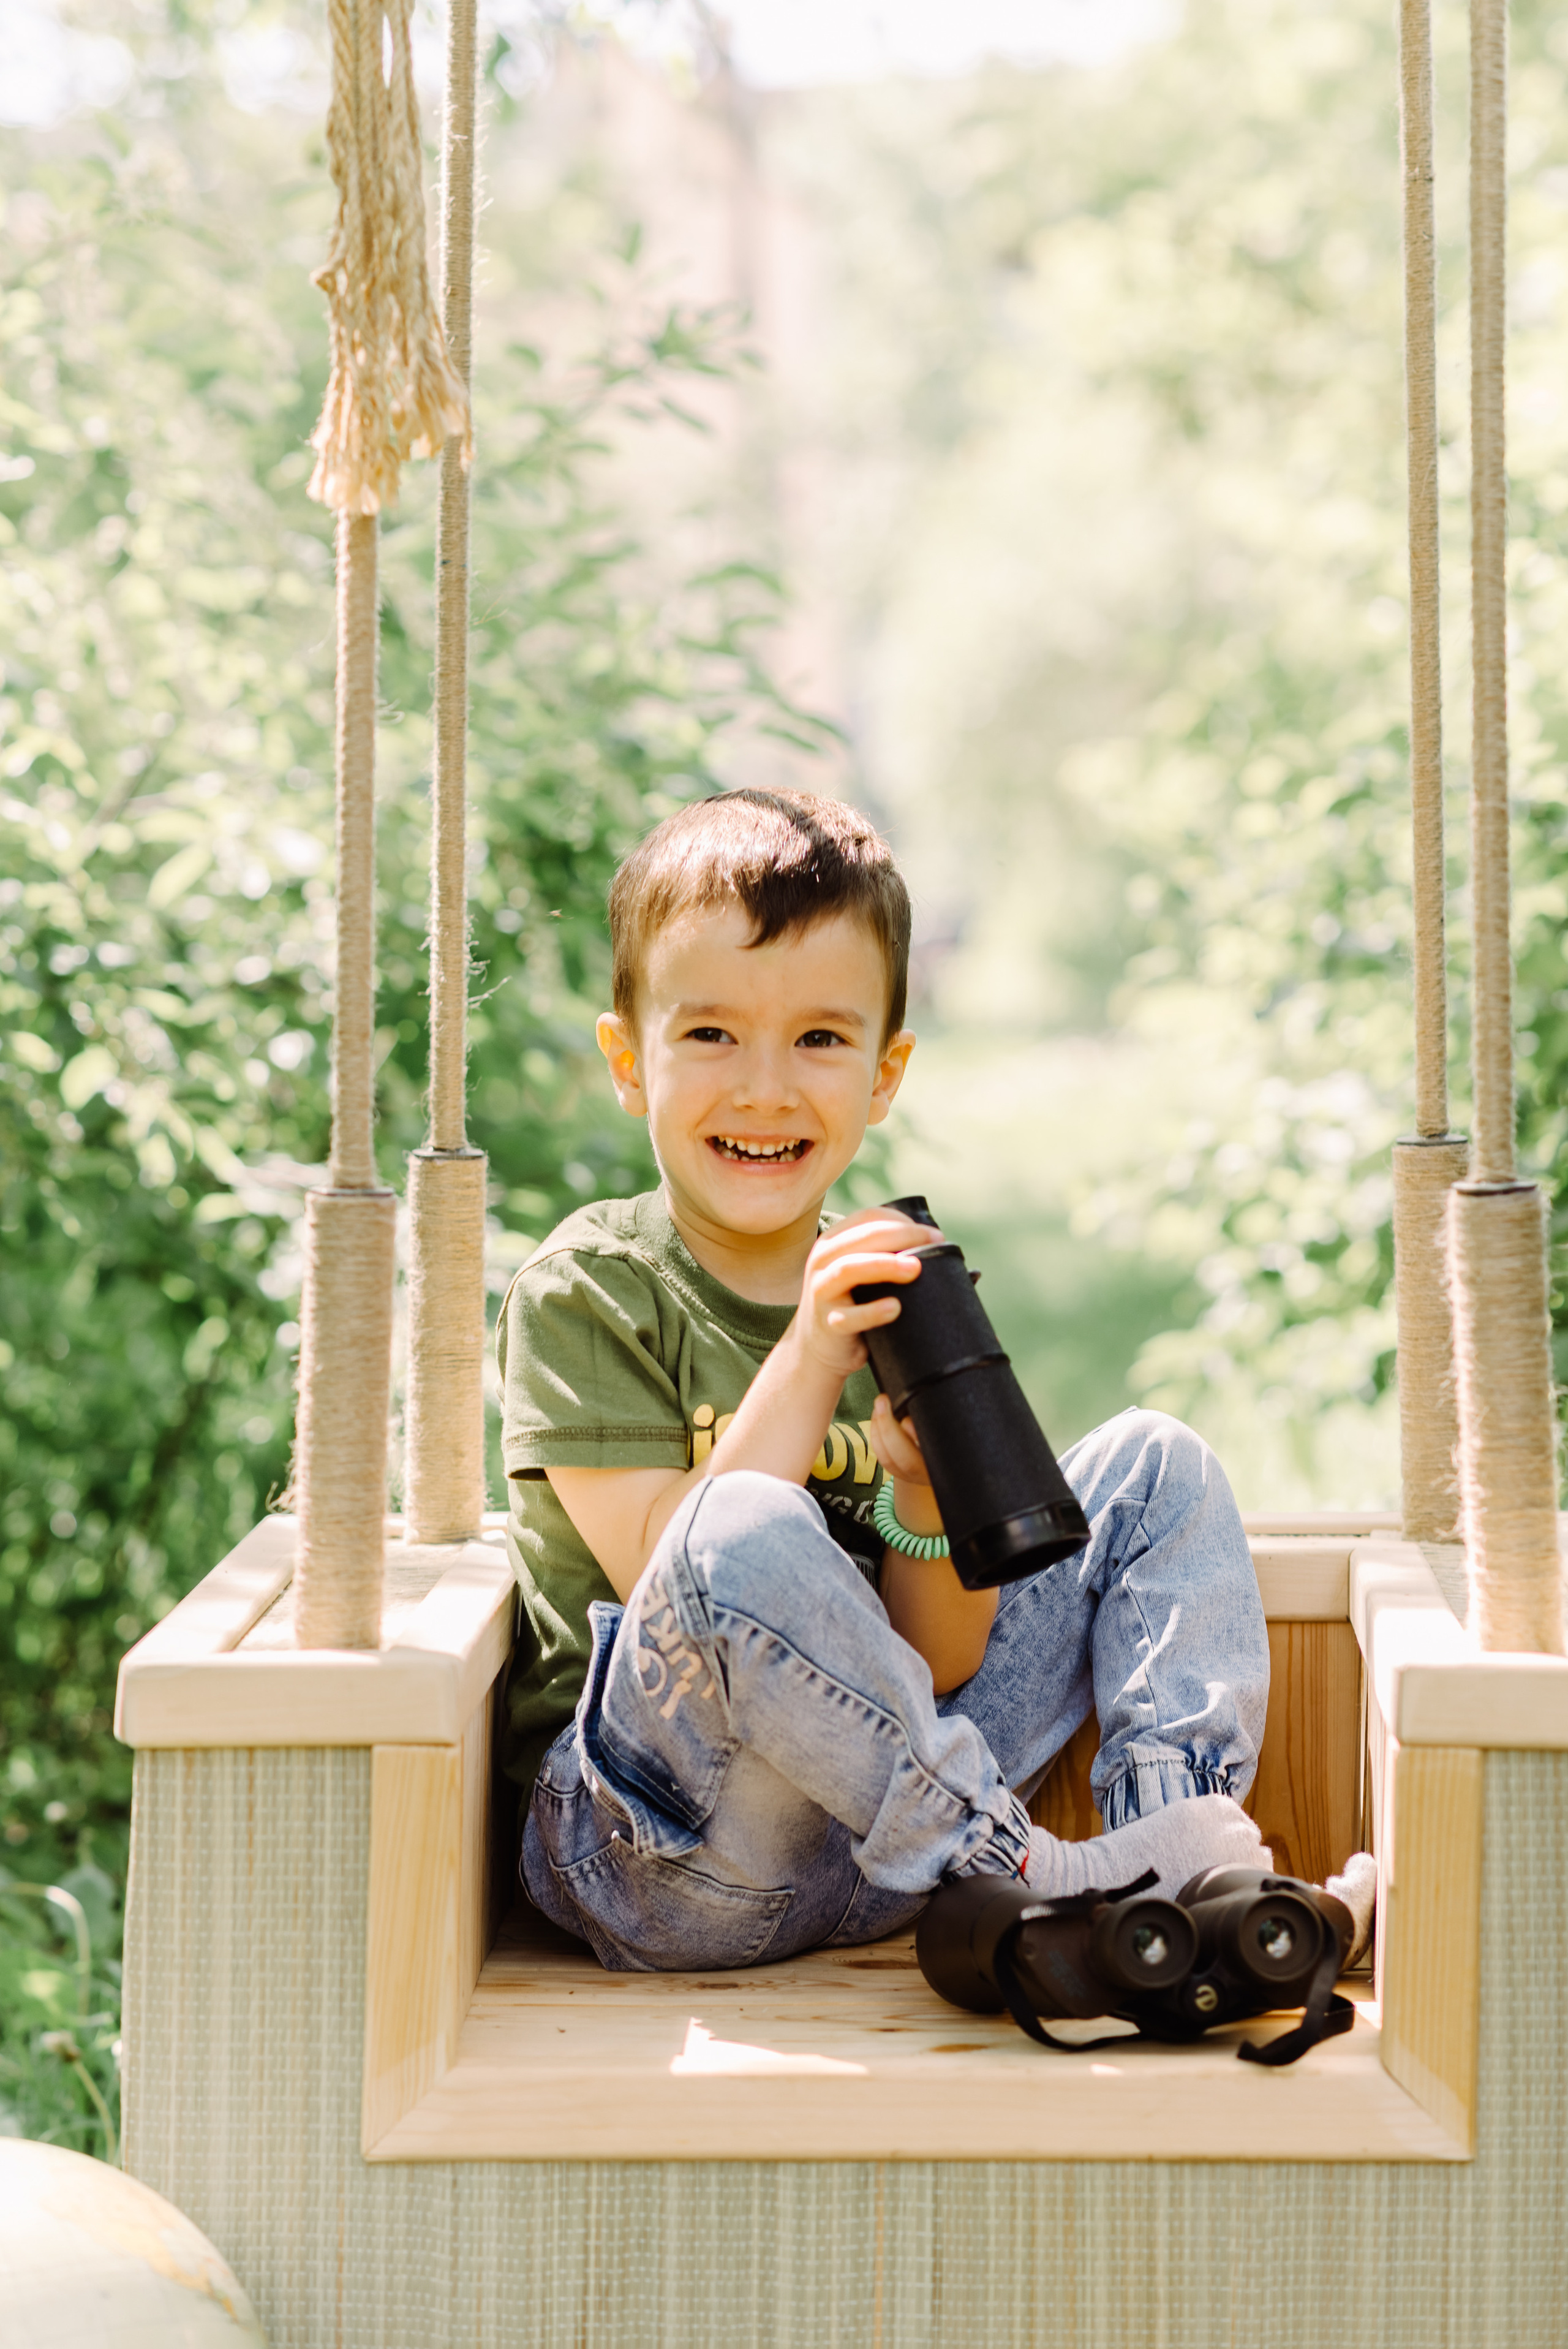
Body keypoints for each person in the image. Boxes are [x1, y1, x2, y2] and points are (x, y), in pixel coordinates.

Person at [496, 787, 1282, 1973]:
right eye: (710, 1034)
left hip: (868, 1852)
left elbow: (945, 1660)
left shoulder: (893, 1290)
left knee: (1154, 1466)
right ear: (628, 1059)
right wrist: (812, 1355)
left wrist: (922, 1507)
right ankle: (1026, 1867)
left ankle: (1173, 1889)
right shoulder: (590, 1289)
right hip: (668, 1850)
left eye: (819, 1038)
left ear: (884, 1073)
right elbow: (680, 1574)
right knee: (745, 1526)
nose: (765, 1085)